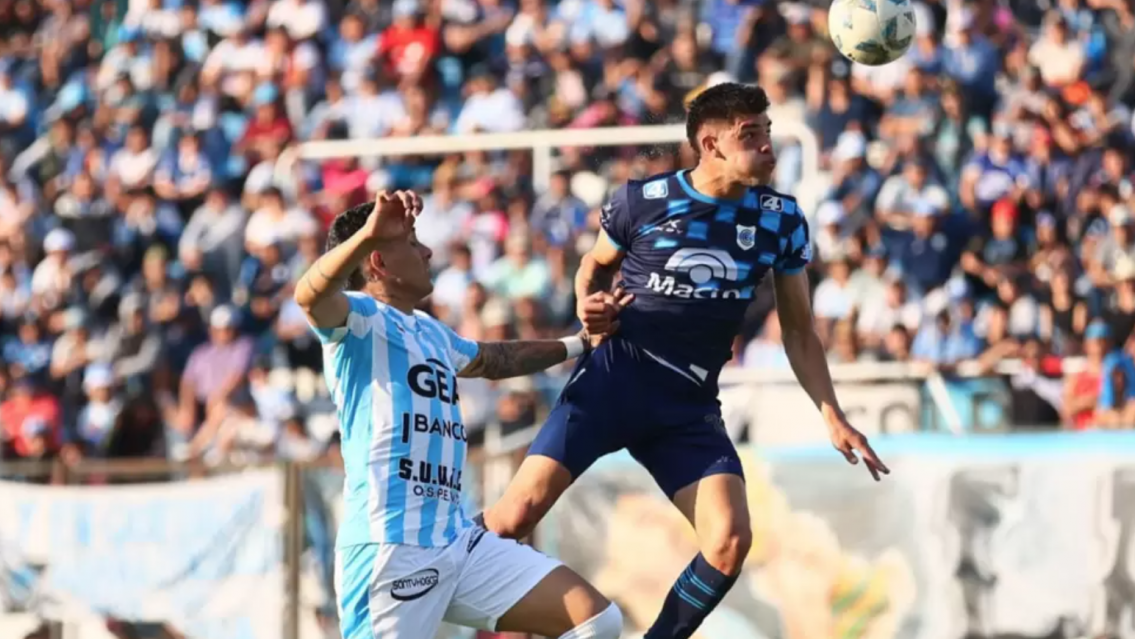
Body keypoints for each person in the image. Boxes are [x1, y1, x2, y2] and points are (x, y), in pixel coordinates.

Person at [480, 82, 890, 639]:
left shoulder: (781, 219)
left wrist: (831, 414)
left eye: (768, 132)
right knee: (511, 519)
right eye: (751, 135)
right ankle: (423, 566)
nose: (767, 146)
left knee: (729, 542)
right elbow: (592, 269)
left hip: (687, 405)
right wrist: (588, 306)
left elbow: (799, 331)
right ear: (711, 144)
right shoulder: (641, 201)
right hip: (613, 380)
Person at [294, 192, 622, 639]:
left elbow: (494, 359)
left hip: (456, 540)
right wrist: (369, 232)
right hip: (392, 546)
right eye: (413, 243)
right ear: (378, 262)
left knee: (596, 620)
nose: (428, 252)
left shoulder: (430, 330)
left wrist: (581, 342)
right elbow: (308, 295)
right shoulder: (357, 320)